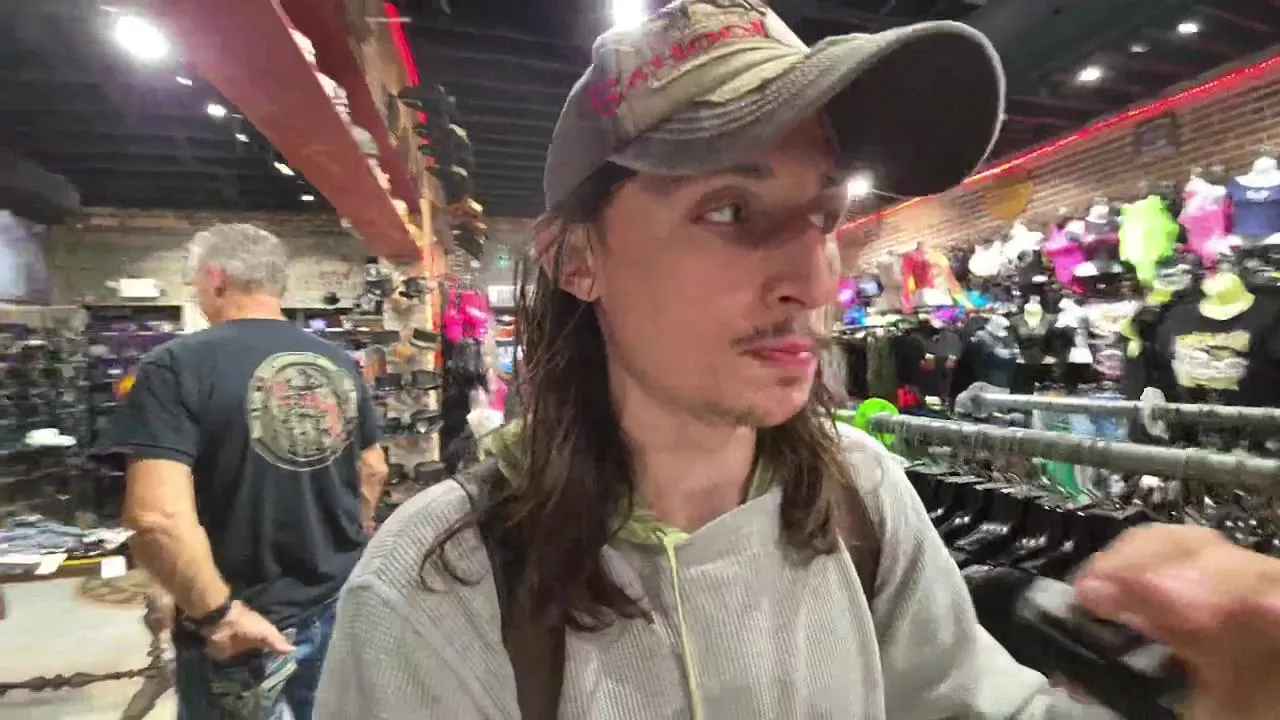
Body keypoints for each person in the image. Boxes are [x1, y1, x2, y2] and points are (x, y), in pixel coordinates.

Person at [316, 2, 1280, 718]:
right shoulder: (440, 586)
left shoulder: (860, 493)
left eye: (824, 214)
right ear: (577, 260)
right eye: (731, 210)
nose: (816, 279)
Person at [111, 223, 387, 719]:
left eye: (194, 280)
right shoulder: (338, 363)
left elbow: (155, 518)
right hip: (336, 604)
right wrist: (351, 531)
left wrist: (217, 614)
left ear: (216, 278)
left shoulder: (174, 366)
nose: (195, 291)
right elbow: (373, 469)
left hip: (242, 629)